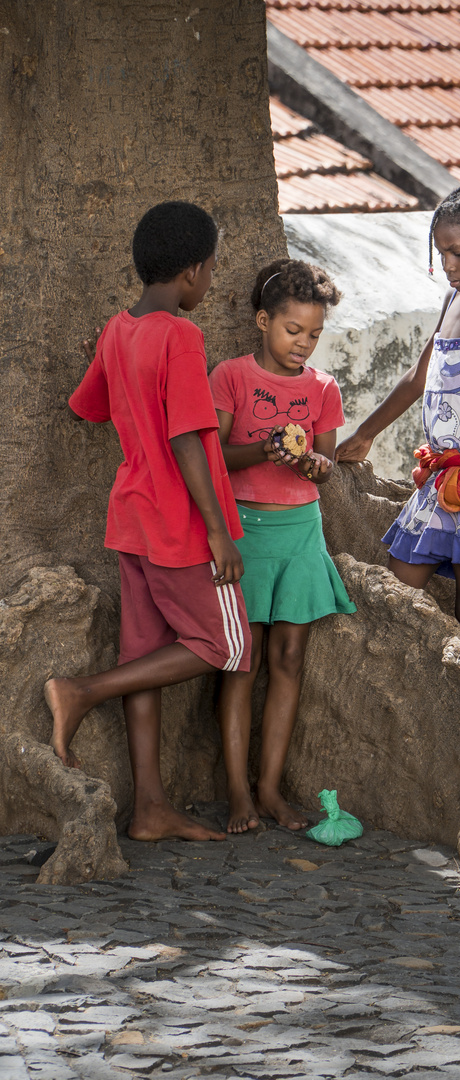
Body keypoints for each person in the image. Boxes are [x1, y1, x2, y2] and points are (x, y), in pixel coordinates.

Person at [44, 200, 250, 843]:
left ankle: (150, 809)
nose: (211, 282)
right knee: (229, 646)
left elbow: (88, 408)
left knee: (145, 654)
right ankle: (79, 692)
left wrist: (100, 356)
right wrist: (218, 530)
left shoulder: (118, 329)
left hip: (130, 518)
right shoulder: (180, 335)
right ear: (192, 271)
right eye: (212, 270)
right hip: (178, 525)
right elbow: (190, 435)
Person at [336, 178, 460, 754]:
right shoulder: (454, 300)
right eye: (440, 253)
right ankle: (405, 728)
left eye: (458, 253)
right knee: (398, 591)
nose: (447, 265)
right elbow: (417, 378)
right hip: (435, 488)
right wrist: (364, 434)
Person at [209, 258, 356, 834]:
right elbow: (214, 456)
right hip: (245, 531)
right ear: (262, 320)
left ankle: (270, 788)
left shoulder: (322, 388)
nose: (304, 344)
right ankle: (238, 793)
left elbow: (324, 465)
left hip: (300, 534)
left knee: (288, 659)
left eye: (315, 335)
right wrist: (264, 450)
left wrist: (315, 462)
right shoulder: (231, 377)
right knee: (240, 662)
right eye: (294, 330)